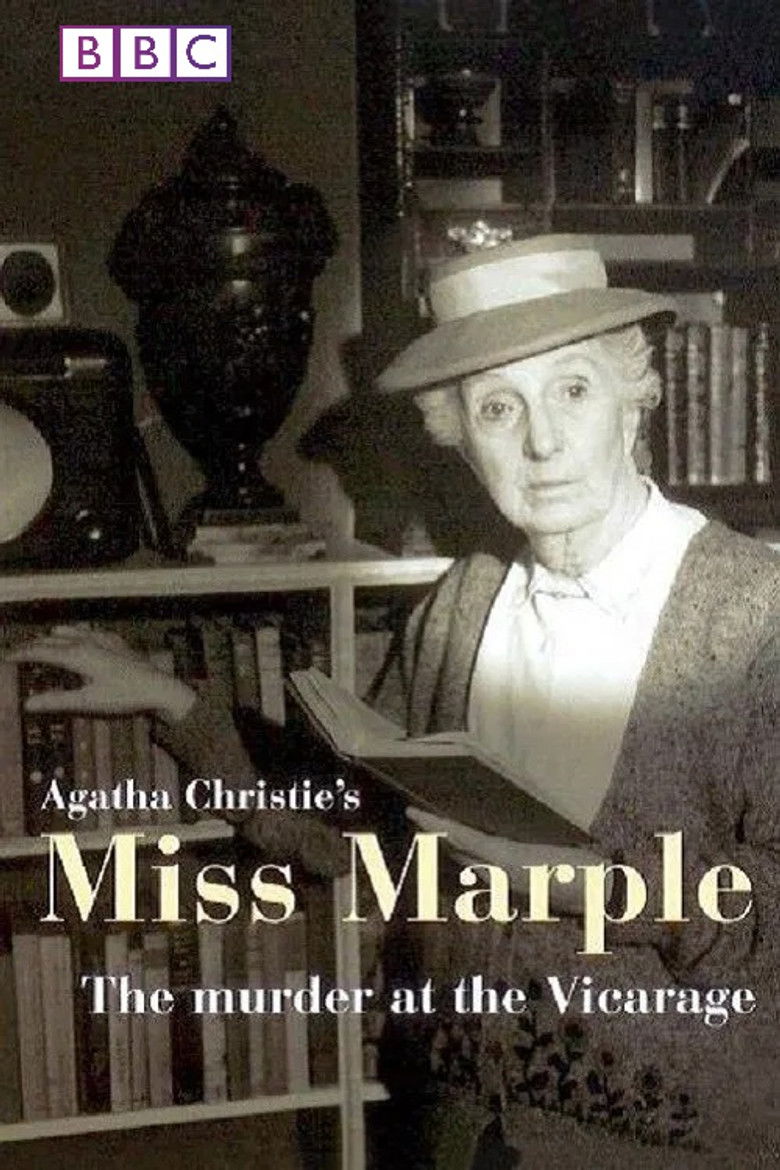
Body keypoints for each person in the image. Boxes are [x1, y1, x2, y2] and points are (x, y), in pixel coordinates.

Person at [7, 235, 779, 1168]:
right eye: (499, 407)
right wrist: (174, 703)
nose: (542, 442)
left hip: (675, 1145)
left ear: (635, 397)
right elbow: (357, 832)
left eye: (573, 390)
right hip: (459, 1135)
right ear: (458, 435)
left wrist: (603, 890)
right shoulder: (462, 605)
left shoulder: (755, 613)